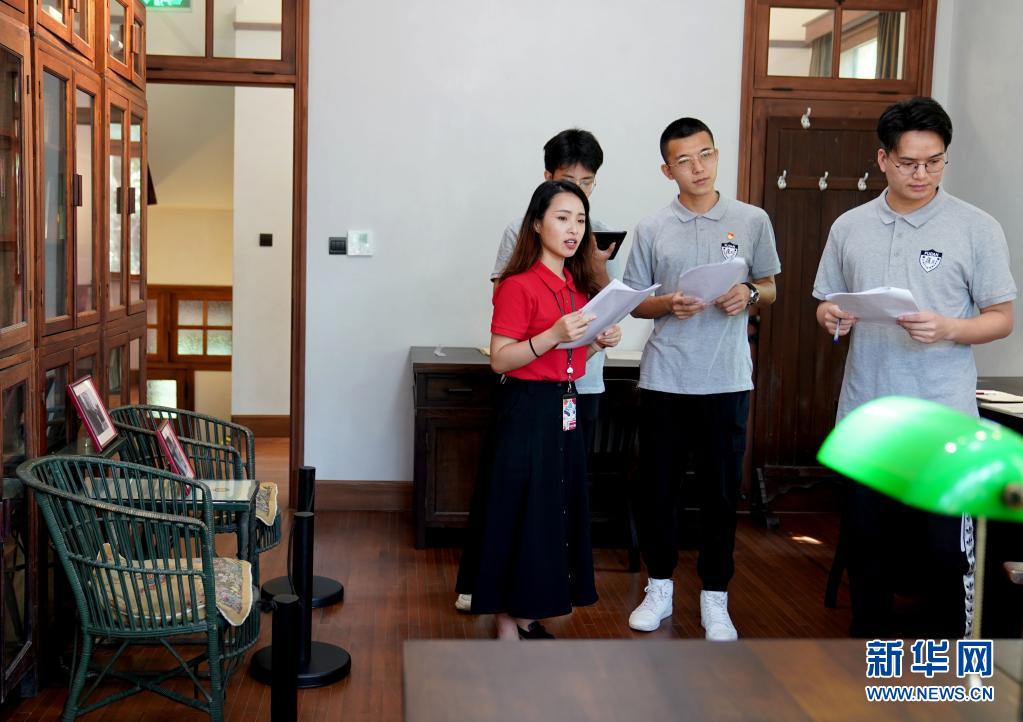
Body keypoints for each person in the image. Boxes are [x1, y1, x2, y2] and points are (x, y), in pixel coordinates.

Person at [813, 96, 1016, 639]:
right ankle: (867, 662)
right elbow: (828, 302)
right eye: (908, 163)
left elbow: (1001, 319)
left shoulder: (976, 227)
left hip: (944, 421)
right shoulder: (850, 226)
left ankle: (947, 672)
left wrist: (948, 327)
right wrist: (830, 315)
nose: (922, 174)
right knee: (869, 556)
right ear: (883, 159)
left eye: (934, 162)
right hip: (867, 415)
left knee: (945, 558)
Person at [623, 117, 780, 640]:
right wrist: (668, 302)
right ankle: (659, 588)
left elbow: (770, 286)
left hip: (727, 380)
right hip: (666, 378)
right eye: (684, 160)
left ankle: (716, 597)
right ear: (667, 170)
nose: (698, 167)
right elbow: (635, 302)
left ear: (716, 155)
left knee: (719, 494)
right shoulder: (652, 228)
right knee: (659, 491)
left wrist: (749, 295)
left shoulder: (751, 220)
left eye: (705, 154)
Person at [457, 128, 619, 613]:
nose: (573, 229)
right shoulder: (518, 284)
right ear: (536, 224)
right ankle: (508, 619)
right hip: (527, 408)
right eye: (562, 218)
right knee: (520, 509)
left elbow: (565, 358)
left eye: (580, 219)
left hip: (565, 404)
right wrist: (554, 335)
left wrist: (595, 341)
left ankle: (530, 612)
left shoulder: (575, 287)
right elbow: (500, 359)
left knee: (552, 511)